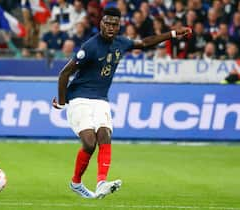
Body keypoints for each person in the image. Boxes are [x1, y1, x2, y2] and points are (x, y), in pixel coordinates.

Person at [52, 7, 191, 199]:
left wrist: (173, 34)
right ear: (101, 23)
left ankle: (101, 183)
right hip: (80, 98)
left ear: (119, 26)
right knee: (89, 143)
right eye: (107, 23)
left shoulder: (121, 42)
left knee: (104, 134)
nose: (110, 27)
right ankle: (76, 182)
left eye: (114, 24)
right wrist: (61, 102)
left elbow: (144, 42)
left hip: (100, 99)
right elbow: (64, 73)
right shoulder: (90, 47)